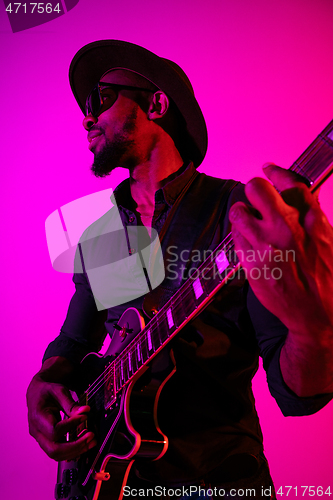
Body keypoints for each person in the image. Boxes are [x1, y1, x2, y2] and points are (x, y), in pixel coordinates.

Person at [26, 40, 333, 499]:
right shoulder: (100, 237)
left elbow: (297, 394)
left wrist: (316, 333)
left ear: (156, 103)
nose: (87, 117)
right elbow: (74, 343)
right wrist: (41, 388)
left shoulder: (237, 214)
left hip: (219, 482)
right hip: (111, 483)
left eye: (100, 100)